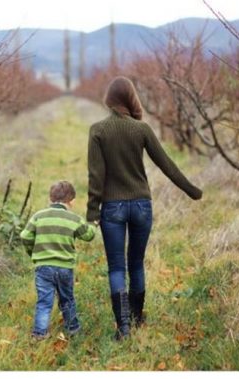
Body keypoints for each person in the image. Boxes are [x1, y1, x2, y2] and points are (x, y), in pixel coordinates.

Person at [86, 76, 203, 341]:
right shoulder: (142, 129)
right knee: (136, 264)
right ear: (130, 98)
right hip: (141, 206)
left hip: (112, 208)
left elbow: (96, 176)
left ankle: (123, 328)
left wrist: (93, 213)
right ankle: (138, 318)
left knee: (117, 268)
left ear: (109, 100)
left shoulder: (98, 130)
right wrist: (192, 190)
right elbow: (167, 164)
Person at [20, 180, 96, 340]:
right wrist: (94, 224)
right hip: (64, 268)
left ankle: (40, 333)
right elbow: (88, 235)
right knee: (67, 299)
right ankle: (73, 329)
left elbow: (25, 236)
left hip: (43, 267)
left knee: (44, 302)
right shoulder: (73, 219)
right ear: (71, 201)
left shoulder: (38, 216)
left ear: (50, 198)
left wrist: (32, 252)